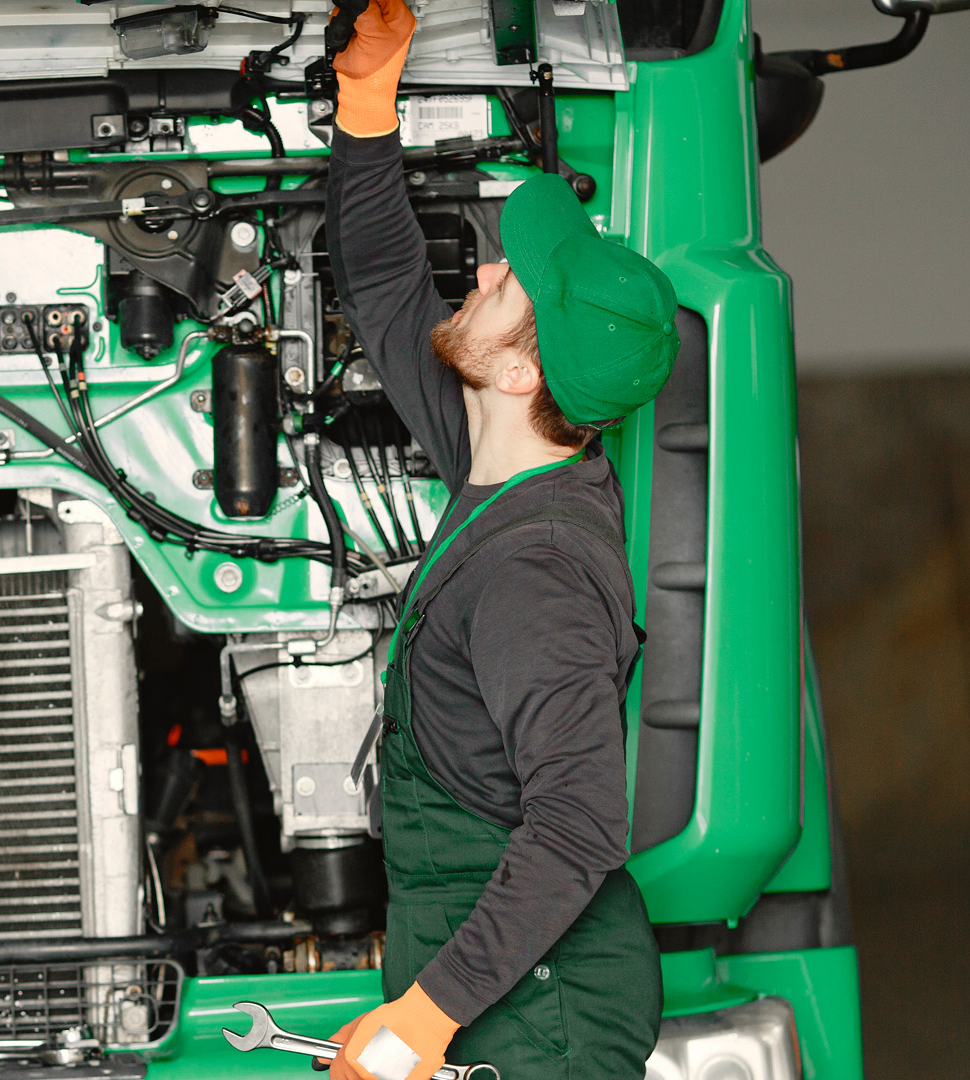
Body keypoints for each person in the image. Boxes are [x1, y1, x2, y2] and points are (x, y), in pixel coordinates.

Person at [315, 2, 679, 1078]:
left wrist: (428, 1018)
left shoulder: (534, 573)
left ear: (522, 373)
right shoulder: (505, 453)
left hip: (546, 1009)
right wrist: (365, 99)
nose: (479, 271)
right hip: (495, 974)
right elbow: (386, 288)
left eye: (505, 283)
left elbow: (577, 827)